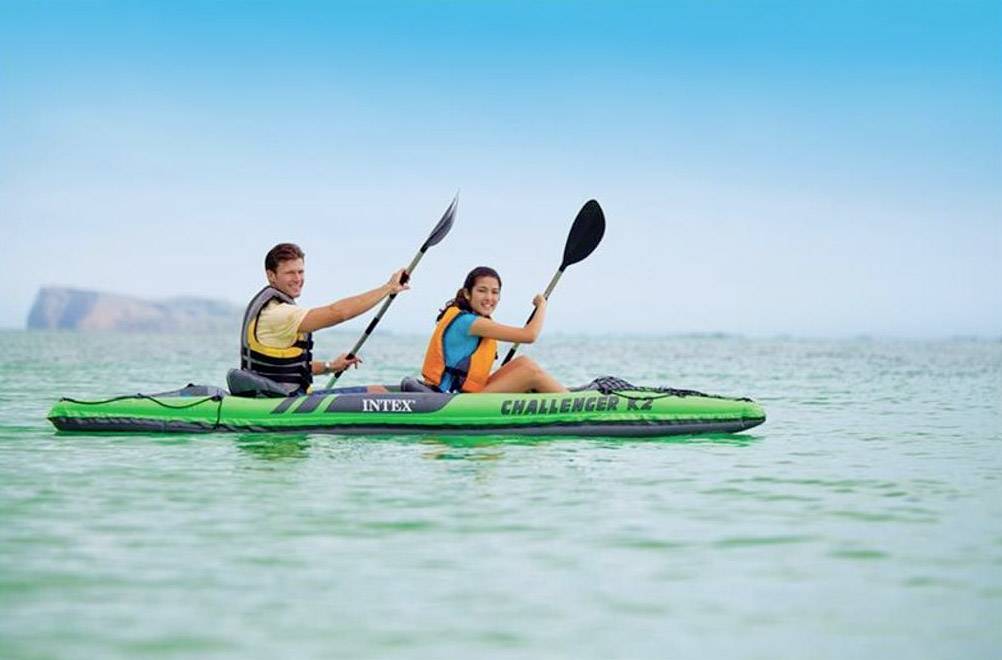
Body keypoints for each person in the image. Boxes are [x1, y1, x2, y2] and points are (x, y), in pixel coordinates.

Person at [237, 242, 408, 396]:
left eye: (300, 271)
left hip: (280, 395)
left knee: (377, 391)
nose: (298, 279)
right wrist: (388, 288)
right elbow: (339, 313)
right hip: (282, 400)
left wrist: (330, 366)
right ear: (271, 275)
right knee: (377, 393)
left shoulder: (272, 307)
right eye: (290, 273)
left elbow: (290, 369)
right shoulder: (278, 313)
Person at [420, 266, 567, 393]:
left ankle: (564, 395)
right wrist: (542, 305)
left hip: (468, 392)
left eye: (495, 292)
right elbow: (530, 335)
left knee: (523, 363)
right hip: (451, 397)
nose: (489, 297)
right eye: (482, 291)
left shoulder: (471, 318)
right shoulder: (469, 322)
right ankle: (575, 403)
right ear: (467, 293)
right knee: (530, 373)